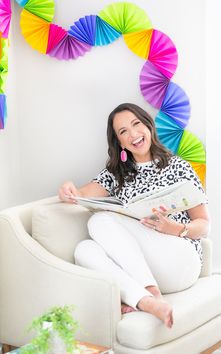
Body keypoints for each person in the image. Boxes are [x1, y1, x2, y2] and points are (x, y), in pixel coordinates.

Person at [59, 103, 210, 329]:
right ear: (119, 142)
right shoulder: (116, 173)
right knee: (84, 249)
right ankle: (147, 301)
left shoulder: (178, 167)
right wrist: (70, 190)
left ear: (148, 125)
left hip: (181, 260)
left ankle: (149, 293)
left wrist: (176, 229)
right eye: (123, 132)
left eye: (136, 124)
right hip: (149, 268)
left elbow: (204, 224)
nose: (133, 134)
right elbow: (80, 195)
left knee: (99, 220)